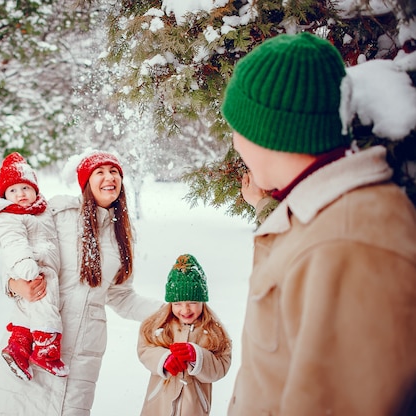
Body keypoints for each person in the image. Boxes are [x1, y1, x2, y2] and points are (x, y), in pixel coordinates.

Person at [220, 32, 416, 415]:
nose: (234, 141)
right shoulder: (321, 216)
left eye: (238, 126)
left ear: (270, 133)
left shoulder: (351, 245)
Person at [0, 150, 163, 415]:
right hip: (34, 337)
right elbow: (15, 250)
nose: (109, 177)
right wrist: (13, 284)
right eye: (99, 172)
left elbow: (121, 296)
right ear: (86, 181)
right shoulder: (58, 213)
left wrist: (167, 311)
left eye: (114, 172)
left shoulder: (123, 235)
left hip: (83, 351)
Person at [0, 152, 67, 380]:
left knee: (26, 312)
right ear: (5, 195)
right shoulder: (8, 216)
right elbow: (13, 244)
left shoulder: (41, 210)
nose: (20, 194)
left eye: (25, 188)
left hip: (37, 269)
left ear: (35, 189)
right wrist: (26, 267)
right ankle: (46, 349)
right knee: (44, 304)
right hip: (33, 271)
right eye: (13, 190)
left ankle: (18, 348)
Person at [137, 253, 232, 416]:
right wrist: (164, 359)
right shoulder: (160, 325)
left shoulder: (212, 330)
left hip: (193, 406)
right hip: (159, 404)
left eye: (193, 303)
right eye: (177, 303)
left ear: (203, 300)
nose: (185, 310)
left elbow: (222, 364)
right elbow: (144, 349)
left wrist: (198, 356)